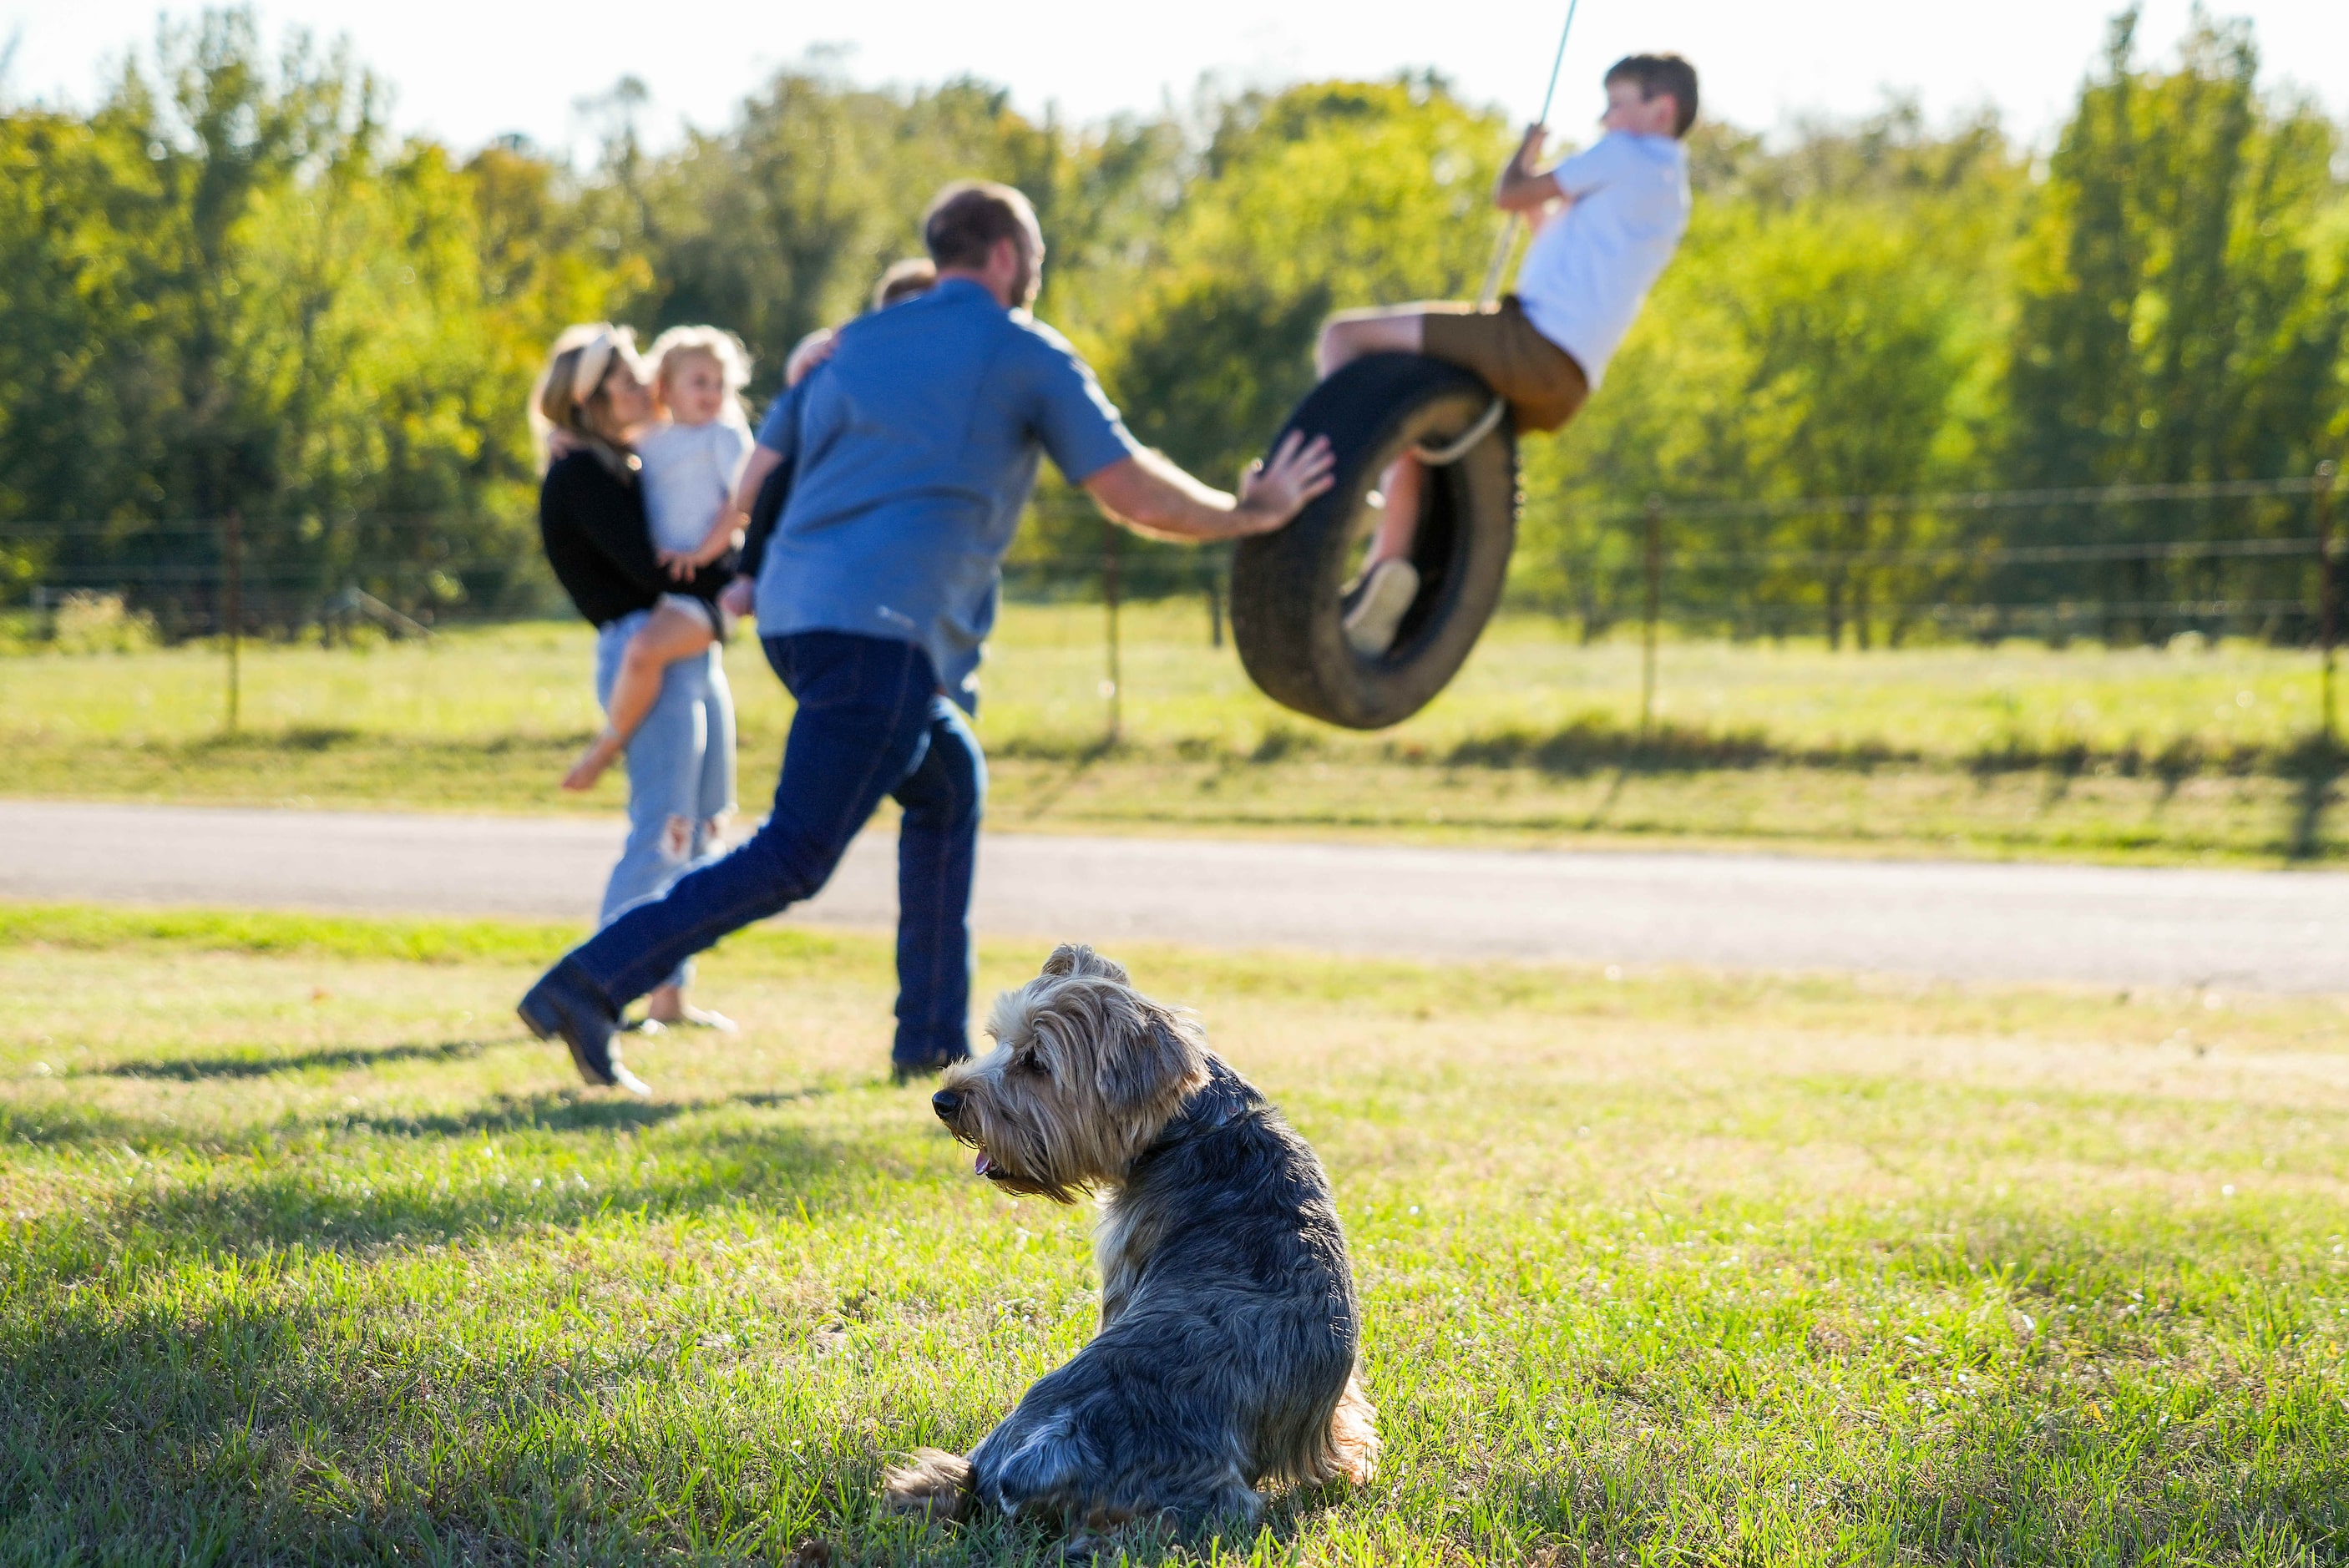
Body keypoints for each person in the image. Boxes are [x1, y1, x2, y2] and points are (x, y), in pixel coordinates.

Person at [518, 181, 1334, 1093]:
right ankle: (586, 986)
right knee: (794, 853)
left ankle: (928, 1046)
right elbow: (1129, 489)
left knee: (947, 784)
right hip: (878, 632)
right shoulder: (1021, 349)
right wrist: (1250, 513)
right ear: (1004, 256)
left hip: (799, 618)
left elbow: (757, 474)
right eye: (1034, 258)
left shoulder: (850, 346)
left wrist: (742, 545)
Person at [1318, 53, 1698, 655]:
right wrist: (1533, 194)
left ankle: (1342, 481)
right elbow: (1547, 231)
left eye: (1617, 103)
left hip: (1529, 340)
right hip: (1566, 382)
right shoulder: (1667, 192)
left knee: (1343, 337)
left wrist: (1523, 152)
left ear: (1662, 109)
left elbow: (1508, 193)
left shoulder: (1624, 154)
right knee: (1413, 426)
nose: (1604, 119)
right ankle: (1385, 576)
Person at [529, 324, 739, 1045]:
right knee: (663, 830)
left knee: (707, 824)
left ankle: (667, 997)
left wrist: (720, 604)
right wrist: (738, 591)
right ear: (589, 398)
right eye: (623, 379)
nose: (642, 387)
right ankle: (597, 994)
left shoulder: (627, 461)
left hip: (690, 643)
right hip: (646, 648)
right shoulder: (583, 474)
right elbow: (658, 572)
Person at [559, 326, 756, 792]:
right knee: (655, 663)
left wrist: (703, 552)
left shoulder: (723, 436)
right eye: (699, 382)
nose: (712, 393)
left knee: (644, 650)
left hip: (710, 583)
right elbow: (602, 440)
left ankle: (605, 748)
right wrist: (562, 439)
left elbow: (745, 501)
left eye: (719, 383)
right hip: (675, 588)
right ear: (664, 387)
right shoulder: (653, 439)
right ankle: (623, 751)